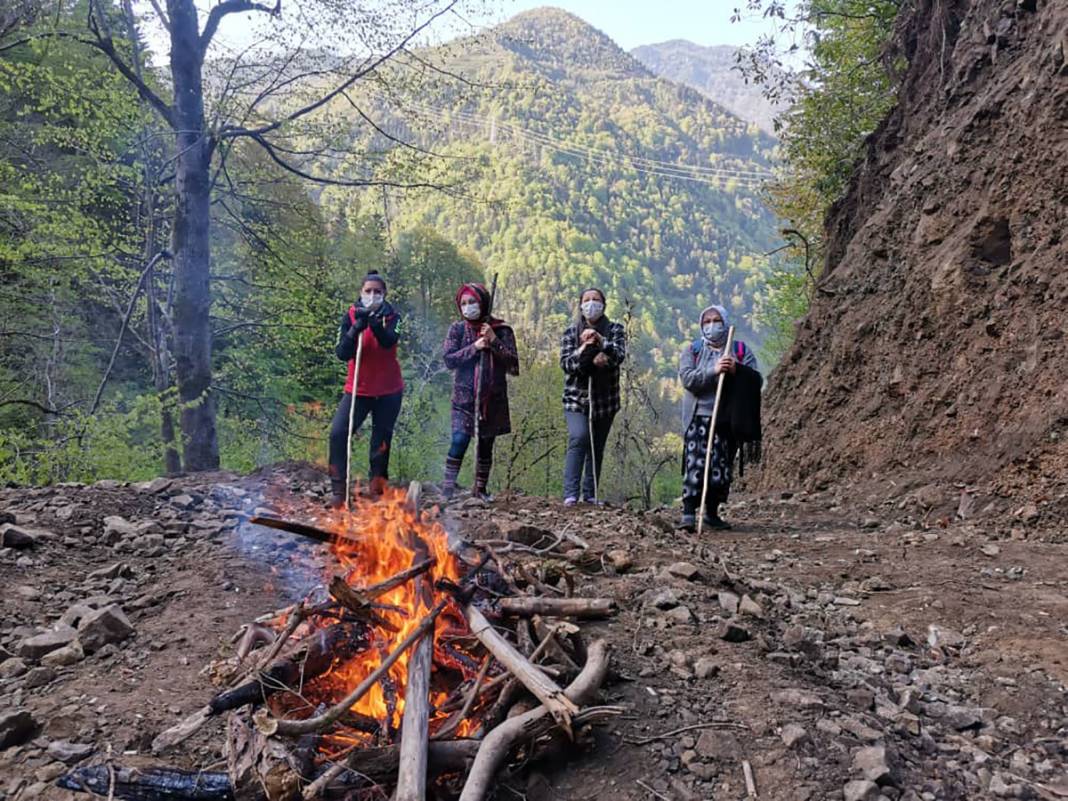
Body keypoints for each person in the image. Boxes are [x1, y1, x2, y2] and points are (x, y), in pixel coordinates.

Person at [677, 304, 762, 531]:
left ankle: (711, 512)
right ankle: (688, 512)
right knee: (696, 463)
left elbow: (755, 380)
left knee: (720, 467)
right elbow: (688, 379)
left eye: (716, 321)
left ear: (725, 323)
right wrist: (713, 370)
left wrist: (737, 371)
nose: (711, 326)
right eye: (707, 321)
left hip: (727, 419)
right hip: (699, 416)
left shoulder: (740, 351)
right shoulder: (693, 351)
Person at [328, 270, 404, 507]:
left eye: (377, 292)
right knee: (338, 434)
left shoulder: (393, 317)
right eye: (368, 291)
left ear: (384, 294)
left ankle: (377, 490)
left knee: (380, 441)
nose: (372, 295)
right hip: (358, 389)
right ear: (361, 293)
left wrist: (373, 324)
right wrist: (355, 329)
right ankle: (339, 491)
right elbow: (342, 353)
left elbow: (390, 341)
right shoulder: (350, 315)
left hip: (389, 391)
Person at [441, 283, 519, 500]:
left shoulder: (502, 330)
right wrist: (475, 347)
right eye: (464, 303)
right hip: (464, 399)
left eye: (472, 302)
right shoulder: (457, 330)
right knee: (459, 440)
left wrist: (494, 341)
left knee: (486, 445)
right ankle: (447, 489)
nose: (468, 307)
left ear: (483, 302)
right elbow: (449, 360)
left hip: (493, 400)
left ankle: (480, 490)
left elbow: (513, 365)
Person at [559, 288, 627, 506]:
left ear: (604, 304)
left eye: (595, 300)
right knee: (579, 437)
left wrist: (600, 342)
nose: (591, 304)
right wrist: (584, 352)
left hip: (605, 401)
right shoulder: (571, 333)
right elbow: (567, 364)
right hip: (576, 400)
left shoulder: (615, 329)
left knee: (596, 445)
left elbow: (618, 355)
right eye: (587, 300)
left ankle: (590, 493)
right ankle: (571, 493)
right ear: (580, 305)